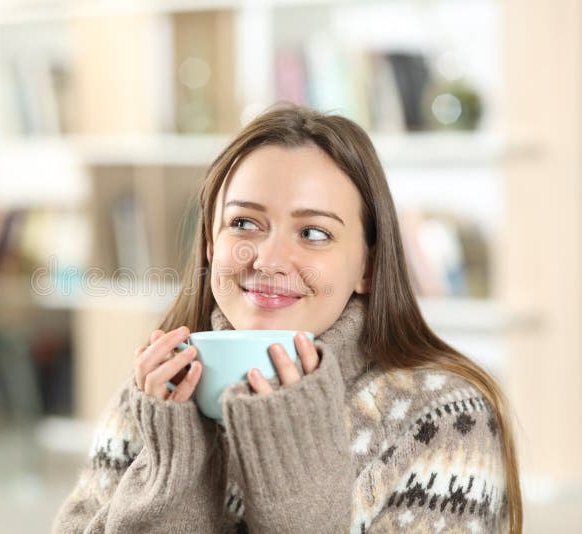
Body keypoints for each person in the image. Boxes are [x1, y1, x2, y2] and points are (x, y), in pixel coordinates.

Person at [52, 105, 521, 533]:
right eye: (244, 223)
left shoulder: (444, 418)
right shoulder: (155, 395)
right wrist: (172, 472)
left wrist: (296, 491)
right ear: (212, 245)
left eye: (314, 233)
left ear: (367, 267)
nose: (269, 260)